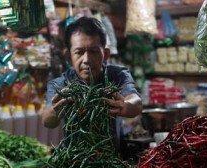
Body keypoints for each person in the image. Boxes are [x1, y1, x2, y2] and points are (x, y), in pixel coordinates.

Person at [41, 17, 142, 148]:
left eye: (94, 51)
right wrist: (56, 110)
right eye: (79, 52)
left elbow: (136, 102)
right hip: (74, 160)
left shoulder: (116, 75)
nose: (87, 59)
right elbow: (47, 120)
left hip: (111, 158)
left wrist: (126, 106)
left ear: (105, 54)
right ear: (68, 57)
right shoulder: (61, 84)